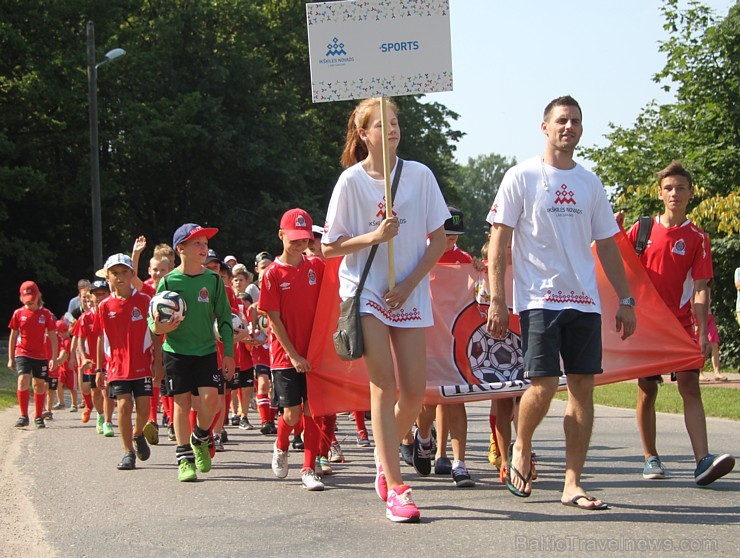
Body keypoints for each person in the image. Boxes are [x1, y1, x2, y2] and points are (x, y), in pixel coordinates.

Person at [486, 95, 636, 510]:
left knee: (583, 388)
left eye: (576, 121)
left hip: (584, 302)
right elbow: (499, 240)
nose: (569, 127)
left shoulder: (590, 182)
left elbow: (607, 244)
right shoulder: (521, 176)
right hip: (539, 298)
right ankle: (521, 446)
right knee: (545, 383)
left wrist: (626, 299)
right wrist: (498, 298)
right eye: (562, 121)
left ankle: (572, 482)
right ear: (545, 127)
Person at [322, 97, 449, 522]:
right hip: (366, 291)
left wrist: (411, 283)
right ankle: (397, 487)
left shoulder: (420, 176)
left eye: (395, 121)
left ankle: (384, 452)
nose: (391, 129)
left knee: (414, 393)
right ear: (363, 134)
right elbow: (328, 247)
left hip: (407, 291)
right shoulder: (351, 182)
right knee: (385, 385)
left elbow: (439, 240)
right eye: (381, 123)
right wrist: (374, 236)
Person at [625, 161, 735, 485]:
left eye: (681, 188)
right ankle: (650, 457)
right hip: (647, 325)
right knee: (647, 390)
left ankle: (702, 461)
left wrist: (703, 331)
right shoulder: (641, 229)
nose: (675, 193)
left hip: (682, 326)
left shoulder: (698, 238)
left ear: (691, 193)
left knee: (690, 386)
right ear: (660, 193)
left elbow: (701, 288)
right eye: (669, 188)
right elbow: (620, 268)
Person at [148, 223, 235, 482]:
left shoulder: (213, 281)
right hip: (175, 351)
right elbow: (153, 319)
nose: (203, 247)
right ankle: (184, 458)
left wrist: (229, 353)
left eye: (205, 243)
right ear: (181, 248)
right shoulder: (168, 281)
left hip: (206, 350)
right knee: (181, 403)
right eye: (197, 243)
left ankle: (200, 435)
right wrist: (159, 326)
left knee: (212, 400)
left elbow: (225, 318)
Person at [260, 208, 326, 491]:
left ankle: (309, 467)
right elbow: (273, 319)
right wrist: (293, 355)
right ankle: (281, 444)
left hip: (314, 353)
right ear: (281, 236)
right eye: (294, 239)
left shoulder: (316, 267)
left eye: (305, 240)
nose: (300, 245)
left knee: (312, 411)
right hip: (284, 356)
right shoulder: (272, 274)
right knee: (291, 415)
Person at [94, 253, 163, 470]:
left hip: (142, 364)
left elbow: (155, 334)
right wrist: (99, 369)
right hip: (117, 367)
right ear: (108, 278)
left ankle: (138, 433)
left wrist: (158, 362)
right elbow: (100, 337)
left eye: (125, 272)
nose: (120, 277)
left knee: (143, 408)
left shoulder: (144, 301)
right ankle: (128, 452)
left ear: (133, 274)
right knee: (124, 405)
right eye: (115, 273)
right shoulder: (104, 306)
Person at [8, 281, 58, 428]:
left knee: (39, 384)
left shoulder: (46, 314)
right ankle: (23, 415)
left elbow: (53, 336)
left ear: (38, 296)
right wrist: (11, 358)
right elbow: (13, 335)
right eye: (26, 300)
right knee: (23, 379)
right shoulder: (18, 313)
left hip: (40, 355)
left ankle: (38, 416)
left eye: (32, 298)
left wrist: (54, 357)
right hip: (22, 352)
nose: (30, 302)